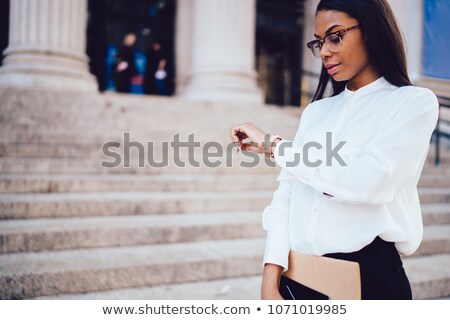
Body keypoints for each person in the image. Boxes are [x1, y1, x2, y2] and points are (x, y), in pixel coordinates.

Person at [230, 0, 439, 300]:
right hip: (299, 279)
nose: (324, 51)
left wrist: (275, 146)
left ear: (371, 30)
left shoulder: (413, 103)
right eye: (318, 42)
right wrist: (269, 280)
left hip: (370, 280)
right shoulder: (315, 113)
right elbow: (285, 200)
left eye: (335, 36)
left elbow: (365, 181)